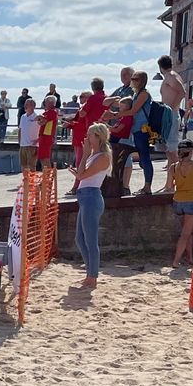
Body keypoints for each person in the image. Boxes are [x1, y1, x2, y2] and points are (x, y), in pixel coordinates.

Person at [71, 122, 111, 289]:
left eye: (90, 135)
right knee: (80, 239)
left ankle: (92, 276)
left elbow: (82, 176)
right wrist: (85, 157)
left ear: (98, 137)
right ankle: (90, 273)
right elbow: (81, 175)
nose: (87, 138)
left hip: (91, 197)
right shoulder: (95, 155)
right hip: (85, 197)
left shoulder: (103, 156)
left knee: (90, 240)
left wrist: (85, 154)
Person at [118, 70, 154, 194]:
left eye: (136, 79)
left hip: (142, 130)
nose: (133, 81)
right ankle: (146, 185)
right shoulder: (136, 94)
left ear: (142, 81)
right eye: (132, 78)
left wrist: (116, 115)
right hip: (137, 130)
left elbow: (133, 111)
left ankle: (147, 187)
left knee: (145, 158)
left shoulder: (143, 94)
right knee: (142, 159)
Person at [171, 141, 193, 267]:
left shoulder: (173, 167)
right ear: (192, 152)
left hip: (178, 201)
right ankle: (176, 261)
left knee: (186, 231)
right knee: (186, 233)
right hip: (192, 200)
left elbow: (169, 186)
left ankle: (190, 258)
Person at [157, 55, 186, 194]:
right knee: (169, 151)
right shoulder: (172, 76)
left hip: (171, 116)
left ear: (160, 67)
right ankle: (169, 184)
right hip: (169, 115)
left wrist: (171, 108)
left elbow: (182, 92)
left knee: (172, 151)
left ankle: (174, 184)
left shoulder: (170, 76)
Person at [64, 91, 92, 193]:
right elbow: (78, 123)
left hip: (81, 139)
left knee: (80, 163)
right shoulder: (82, 108)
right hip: (77, 139)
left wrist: (71, 124)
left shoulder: (86, 109)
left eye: (82, 96)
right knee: (78, 162)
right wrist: (70, 124)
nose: (80, 98)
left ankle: (77, 186)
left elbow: (83, 125)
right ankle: (79, 185)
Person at [36, 95, 58, 172]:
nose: (44, 103)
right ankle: (46, 175)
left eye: (46, 102)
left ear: (51, 103)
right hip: (44, 137)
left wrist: (40, 117)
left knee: (45, 158)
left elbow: (42, 122)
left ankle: (48, 176)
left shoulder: (52, 112)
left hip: (46, 137)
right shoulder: (48, 112)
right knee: (43, 158)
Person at [18, 95, 40, 172]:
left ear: (33, 106)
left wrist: (38, 140)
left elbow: (42, 131)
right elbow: (20, 129)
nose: (25, 106)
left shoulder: (37, 117)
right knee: (23, 165)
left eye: (27, 104)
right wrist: (19, 141)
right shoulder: (23, 117)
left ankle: (32, 180)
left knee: (32, 166)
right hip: (23, 145)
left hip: (32, 145)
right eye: (25, 104)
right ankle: (25, 179)